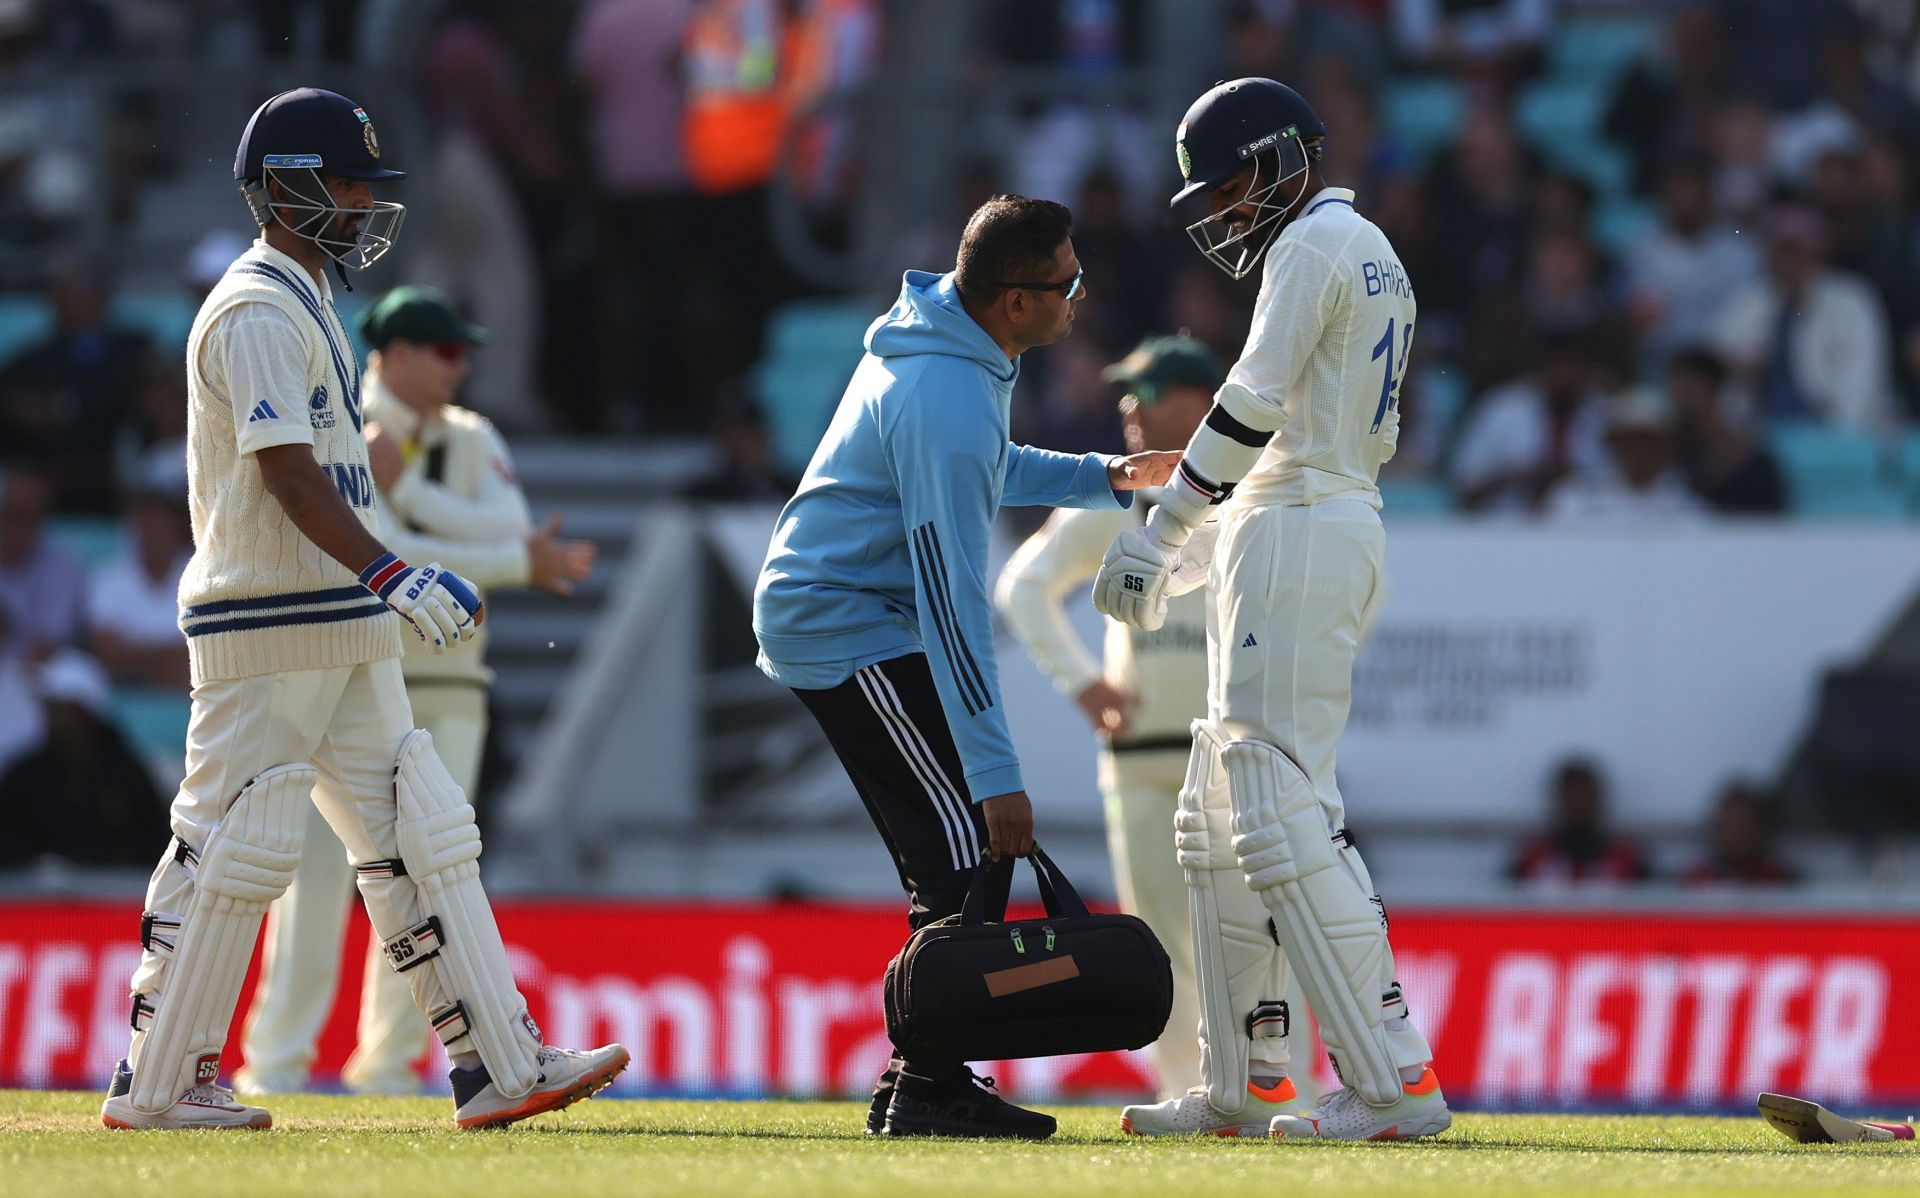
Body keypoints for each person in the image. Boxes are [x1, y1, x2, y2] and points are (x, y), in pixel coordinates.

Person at [100, 87, 625, 1132]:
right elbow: (288, 478)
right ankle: (160, 1082)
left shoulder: (308, 301)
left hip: (338, 619)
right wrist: (396, 573)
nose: (364, 203)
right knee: (234, 841)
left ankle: (500, 1063)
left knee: (423, 831)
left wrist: (380, 583)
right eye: (346, 182)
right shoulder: (254, 306)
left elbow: (328, 482)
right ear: (289, 188)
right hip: (266, 619)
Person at [752, 194, 1179, 1139]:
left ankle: (923, 1079)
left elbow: (986, 465)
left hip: (858, 613)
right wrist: (998, 776)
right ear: (1018, 303)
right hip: (846, 624)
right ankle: (928, 1087)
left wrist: (1104, 475)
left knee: (951, 856)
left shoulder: (956, 349)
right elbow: (954, 610)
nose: (1080, 297)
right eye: (1068, 283)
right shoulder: (946, 391)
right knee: (958, 844)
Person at [1093, 78, 1449, 1142]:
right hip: (1294, 521)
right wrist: (1202, 550)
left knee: (1280, 803)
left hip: (1305, 526)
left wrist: (1161, 536)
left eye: (1238, 177)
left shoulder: (1314, 248)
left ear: (1291, 156)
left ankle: (1393, 1083)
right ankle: (1249, 1084)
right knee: (1215, 811)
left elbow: (1247, 403)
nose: (1227, 205)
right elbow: (1289, 435)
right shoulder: (1364, 249)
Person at [238, 286, 595, 1097]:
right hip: (352, 674)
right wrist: (509, 562)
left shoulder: (470, 437)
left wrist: (411, 493)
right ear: (394, 354)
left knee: (430, 873)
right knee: (317, 877)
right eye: (444, 350)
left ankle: (391, 1066)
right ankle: (278, 1064)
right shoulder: (338, 427)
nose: (458, 366)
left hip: (453, 684)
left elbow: (505, 531)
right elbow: (384, 548)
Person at [995, 334, 1236, 1105]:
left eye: (1153, 390)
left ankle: (1272, 1091)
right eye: (1128, 392)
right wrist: (1084, 683)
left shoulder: (1257, 493)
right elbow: (1023, 587)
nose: (1132, 408)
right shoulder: (1114, 496)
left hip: (1237, 755)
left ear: (1203, 400)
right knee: (1161, 944)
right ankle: (1185, 1095)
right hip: (1139, 758)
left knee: (1256, 940)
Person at [1506, 757, 1650, 885]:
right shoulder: (1532, 856)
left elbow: (1658, 899)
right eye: (1570, 793)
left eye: (1583, 792)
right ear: (1557, 798)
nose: (1577, 801)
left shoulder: (1626, 857)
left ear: (1599, 798)